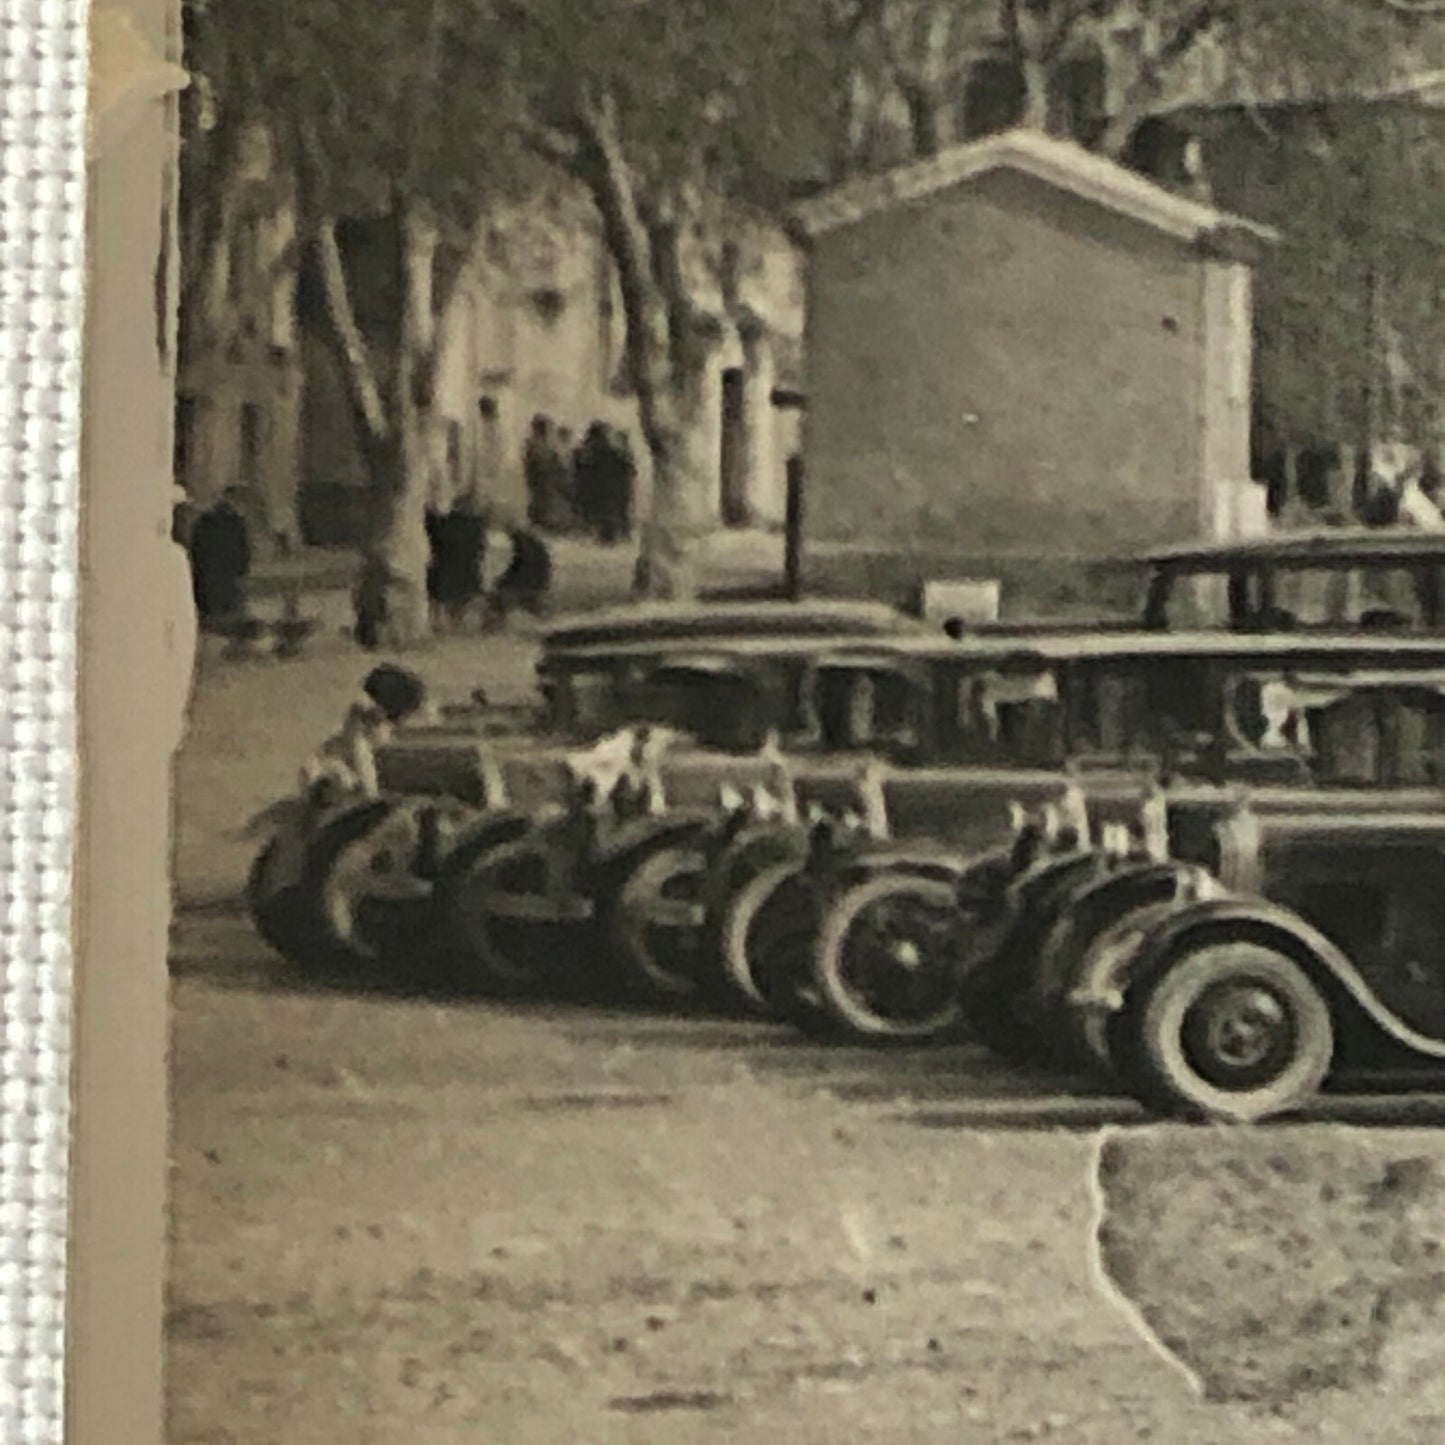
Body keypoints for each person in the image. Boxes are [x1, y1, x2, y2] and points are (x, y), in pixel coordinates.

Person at [188, 486, 252, 630]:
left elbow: (196, 548)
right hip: (225, 572)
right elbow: (242, 550)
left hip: (208, 573)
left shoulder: (204, 521)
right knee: (225, 603)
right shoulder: (235, 522)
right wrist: (241, 568)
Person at [430, 493, 488, 631]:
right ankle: (456, 623)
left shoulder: (446, 524)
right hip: (466, 567)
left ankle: (443, 623)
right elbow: (481, 548)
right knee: (461, 598)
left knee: (443, 595)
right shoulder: (476, 525)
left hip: (446, 567)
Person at [489, 524, 553, 621]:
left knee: (499, 600)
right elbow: (516, 567)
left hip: (528, 585)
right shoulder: (533, 547)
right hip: (534, 583)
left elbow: (521, 569)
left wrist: (503, 582)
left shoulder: (528, 548)